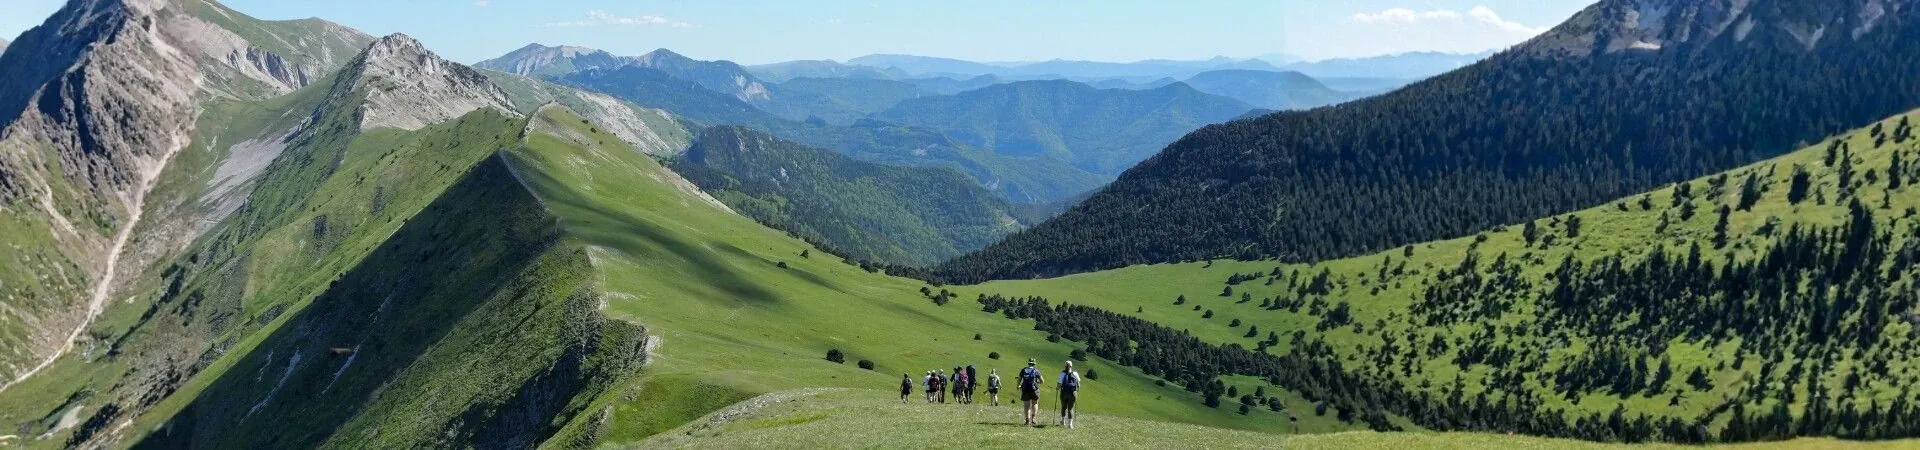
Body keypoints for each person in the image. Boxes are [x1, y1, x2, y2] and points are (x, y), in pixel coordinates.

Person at [1019, 358, 1044, 426]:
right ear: (1034, 364)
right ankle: (1033, 418)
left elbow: (1019, 379)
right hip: (1034, 390)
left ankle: (1027, 419)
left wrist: (1018, 386)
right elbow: (1042, 381)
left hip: (1025, 389)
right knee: (1035, 403)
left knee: (1026, 405)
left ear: (1028, 363)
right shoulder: (1036, 371)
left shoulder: (1023, 370)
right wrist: (1036, 382)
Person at [1058, 360, 1082, 429]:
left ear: (1065, 366)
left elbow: (1059, 384)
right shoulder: (1075, 373)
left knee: (1063, 407)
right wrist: (1077, 392)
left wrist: (1057, 388)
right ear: (1071, 366)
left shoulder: (1062, 373)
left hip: (1064, 392)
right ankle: (1070, 424)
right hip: (1073, 393)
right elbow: (1078, 384)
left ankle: (1063, 421)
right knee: (1070, 408)